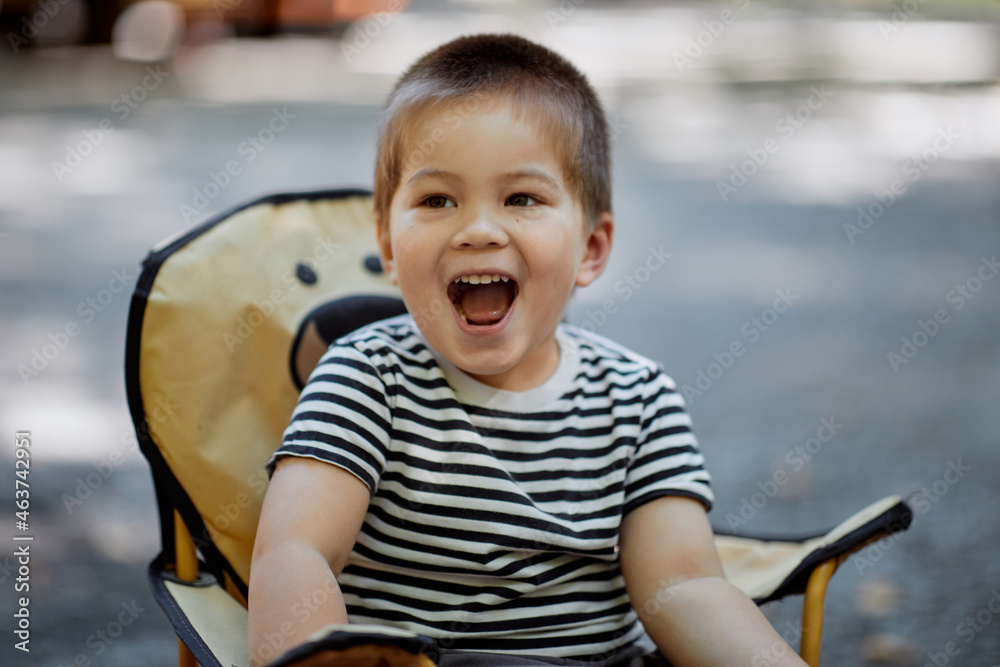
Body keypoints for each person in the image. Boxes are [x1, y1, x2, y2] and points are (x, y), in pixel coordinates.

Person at [248, 33, 807, 667]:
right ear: (388, 246)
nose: (479, 230)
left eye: (522, 198)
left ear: (591, 249)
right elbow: (296, 552)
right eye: (437, 200)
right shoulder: (367, 378)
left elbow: (685, 586)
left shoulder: (637, 398)